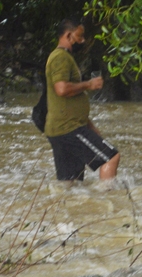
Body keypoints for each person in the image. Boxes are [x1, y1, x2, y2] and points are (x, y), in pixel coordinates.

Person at [44, 19, 121, 181]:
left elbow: (69, 102)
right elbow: (62, 89)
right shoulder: (60, 57)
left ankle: (68, 206)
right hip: (69, 128)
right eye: (80, 36)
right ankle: (107, 201)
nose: (83, 40)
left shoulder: (62, 57)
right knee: (111, 157)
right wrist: (89, 84)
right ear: (68, 35)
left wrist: (90, 126)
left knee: (71, 183)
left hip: (61, 129)